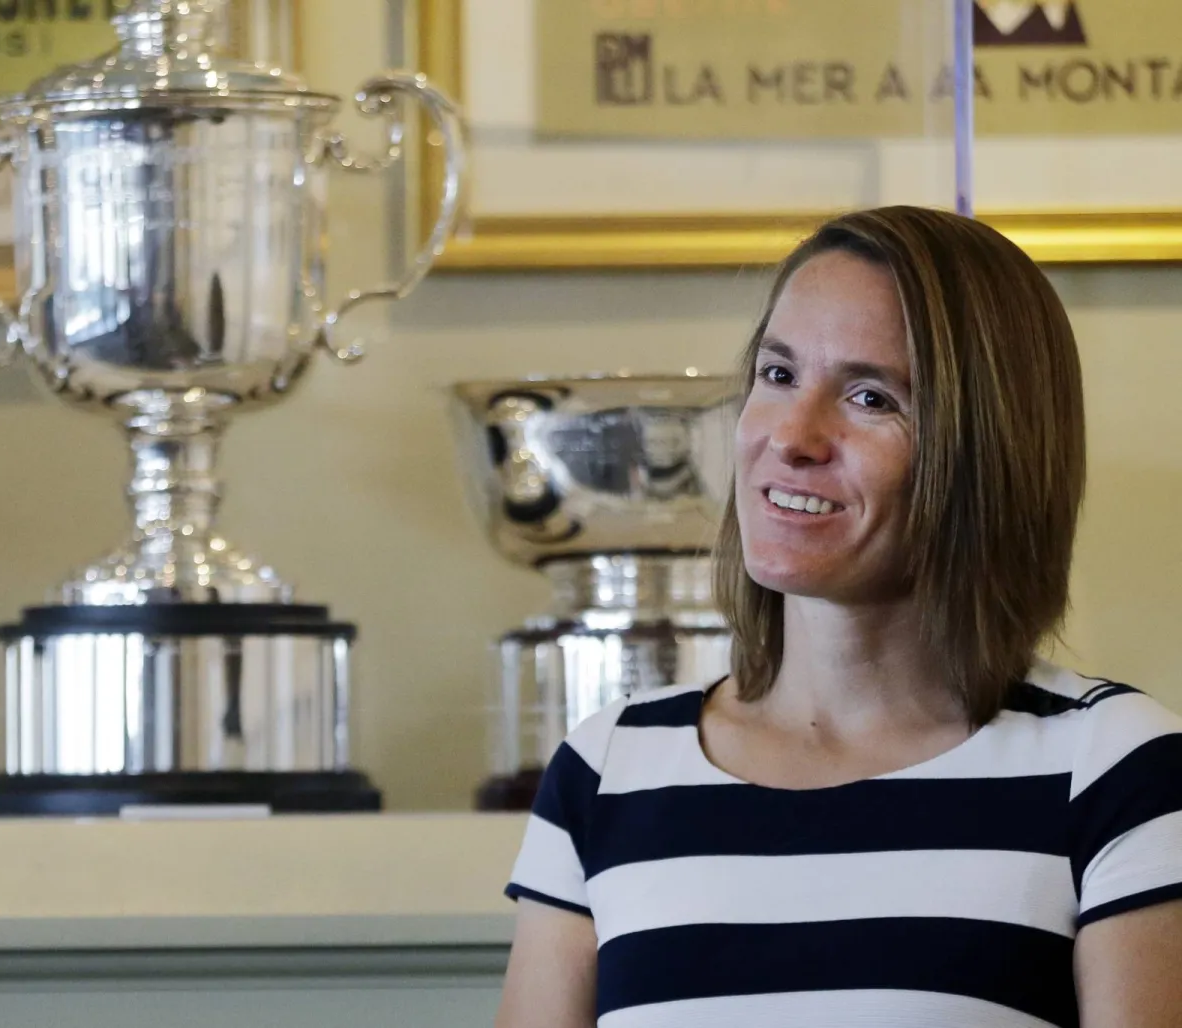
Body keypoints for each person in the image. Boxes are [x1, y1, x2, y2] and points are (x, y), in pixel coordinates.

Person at [494, 206, 1182, 1028]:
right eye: (779, 375)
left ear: (985, 452)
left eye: (869, 396)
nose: (793, 435)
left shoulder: (1115, 772)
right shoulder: (608, 769)